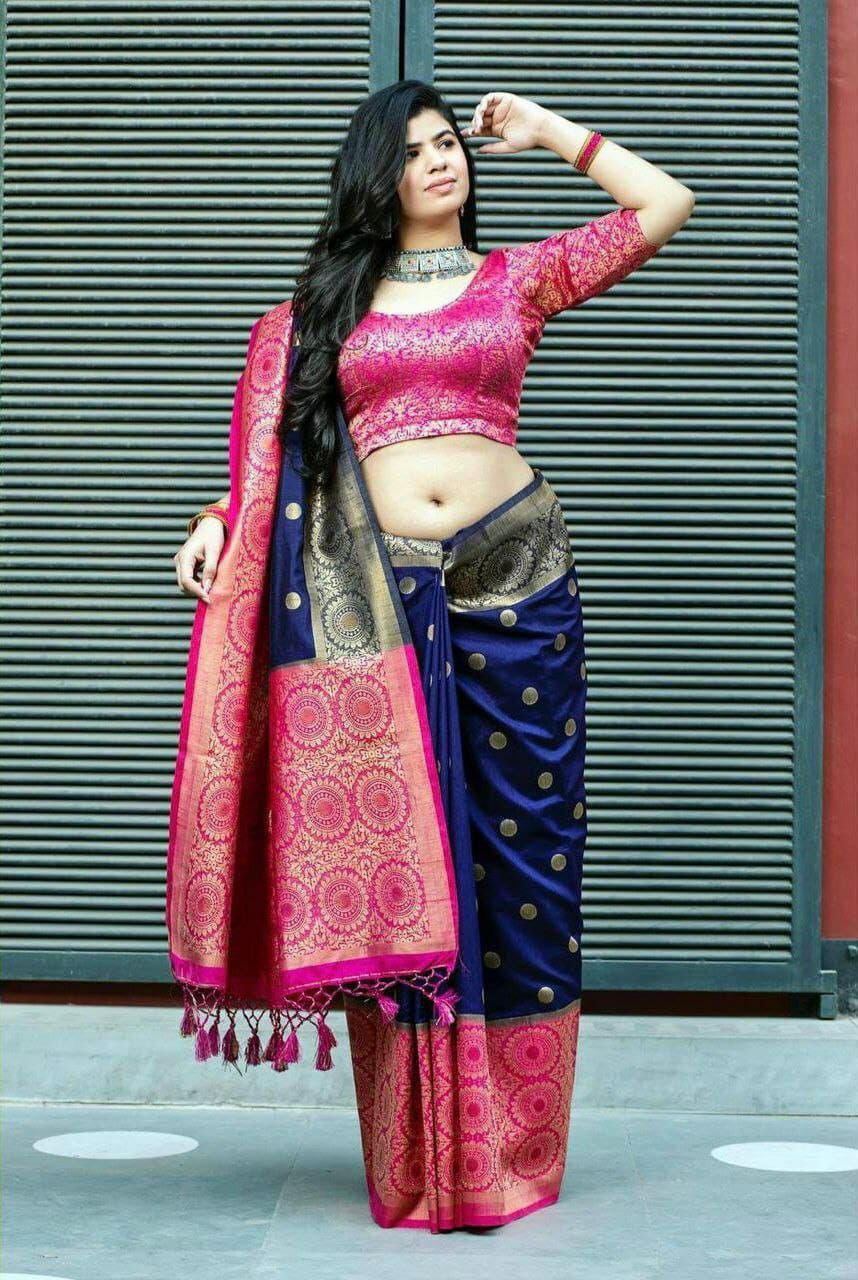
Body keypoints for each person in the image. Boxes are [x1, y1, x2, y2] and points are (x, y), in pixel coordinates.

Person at [170, 81, 694, 1233]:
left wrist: (552, 132)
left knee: (524, 871)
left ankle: (515, 1147)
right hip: (375, 607)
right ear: (379, 176)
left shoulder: (518, 279)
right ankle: (421, 1156)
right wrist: (217, 519)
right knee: (403, 877)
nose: (440, 160)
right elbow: (277, 459)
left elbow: (663, 205)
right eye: (412, 151)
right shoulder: (324, 313)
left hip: (521, 585)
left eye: (448, 141)